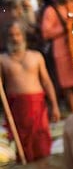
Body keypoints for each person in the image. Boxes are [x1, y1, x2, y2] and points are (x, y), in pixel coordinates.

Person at [0, 21, 61, 161]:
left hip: (37, 105)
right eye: (11, 35)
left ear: (23, 36)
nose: (15, 38)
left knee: (42, 142)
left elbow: (46, 82)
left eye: (17, 35)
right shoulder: (3, 60)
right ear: (6, 38)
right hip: (16, 107)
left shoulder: (36, 56)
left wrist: (55, 106)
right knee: (20, 145)